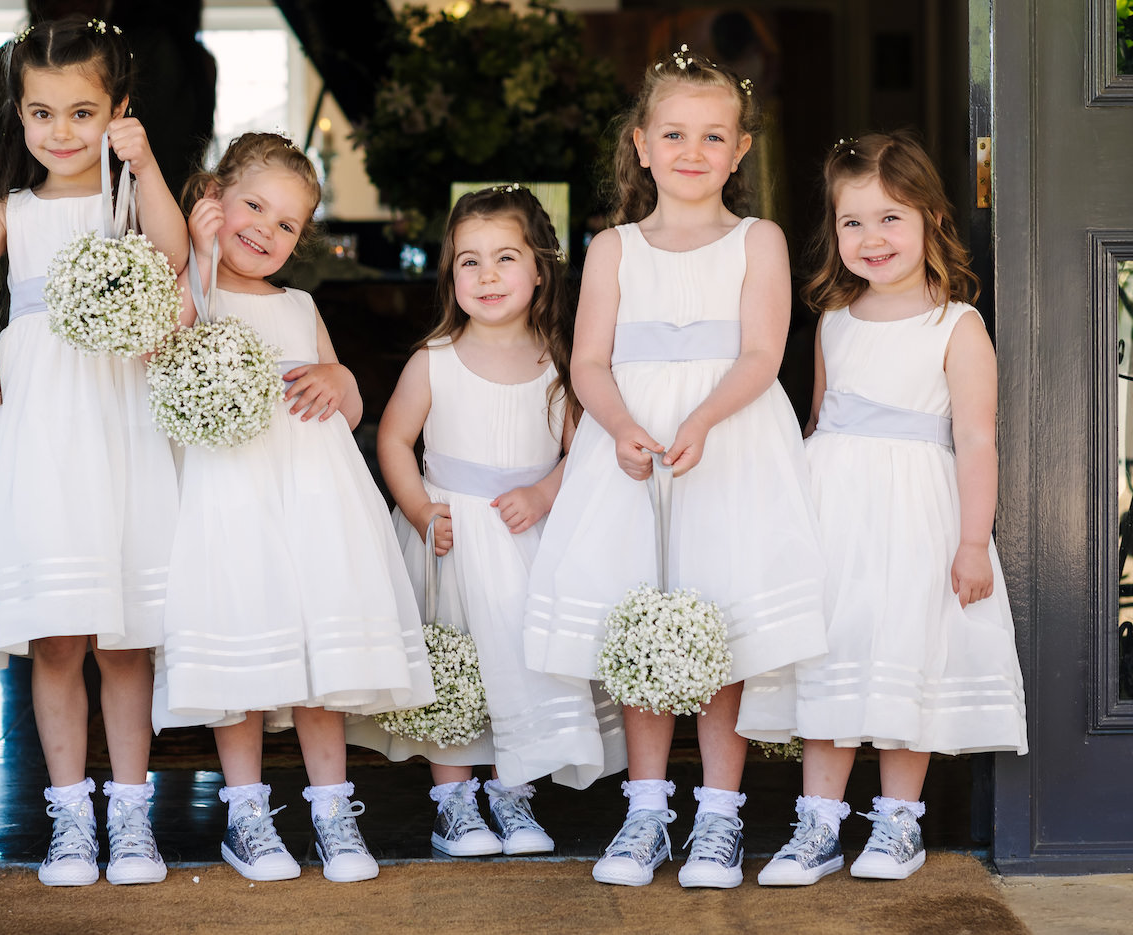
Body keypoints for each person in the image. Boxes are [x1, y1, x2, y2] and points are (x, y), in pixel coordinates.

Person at [0, 16, 188, 887]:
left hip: (116, 417)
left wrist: (146, 162)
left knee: (124, 634)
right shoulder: (14, 211)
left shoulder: (128, 200)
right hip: (35, 427)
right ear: (19, 117)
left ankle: (131, 815)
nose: (61, 132)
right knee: (58, 634)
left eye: (83, 112)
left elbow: (172, 256)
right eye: (42, 113)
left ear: (117, 111)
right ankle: (69, 818)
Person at [521, 47, 828, 889]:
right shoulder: (615, 247)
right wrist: (620, 426)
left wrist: (698, 420)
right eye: (676, 133)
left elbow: (764, 353)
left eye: (713, 135)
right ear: (643, 145)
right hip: (632, 449)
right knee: (641, 620)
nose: (693, 150)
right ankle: (647, 809)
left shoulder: (756, 240)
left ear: (739, 150)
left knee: (719, 619)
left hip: (727, 443)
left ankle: (720, 818)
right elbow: (587, 362)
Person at [152, 132, 434, 884]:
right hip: (230, 501)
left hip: (311, 501)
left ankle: (332, 808)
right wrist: (199, 257)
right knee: (243, 649)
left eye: (286, 224)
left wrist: (341, 379)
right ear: (212, 198)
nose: (266, 231)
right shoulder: (192, 287)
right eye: (253, 206)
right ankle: (246, 814)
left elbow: (347, 403)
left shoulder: (303, 303)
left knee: (320, 655)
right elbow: (162, 357)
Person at [752, 131, 1028, 886]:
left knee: (906, 656)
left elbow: (975, 440)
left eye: (891, 218)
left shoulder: (956, 325)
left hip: (915, 518)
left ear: (934, 220)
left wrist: (974, 541)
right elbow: (817, 426)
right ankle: (816, 826)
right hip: (834, 516)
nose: (871, 238)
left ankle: (898, 823)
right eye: (852, 222)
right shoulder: (834, 323)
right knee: (831, 657)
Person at [345, 186, 626, 858]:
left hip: (525, 536)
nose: (488, 274)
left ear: (539, 271)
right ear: (450, 276)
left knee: (518, 665)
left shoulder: (558, 363)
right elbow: (392, 439)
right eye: (469, 261)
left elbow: (580, 447)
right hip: (451, 538)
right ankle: (455, 804)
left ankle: (512, 789)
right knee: (456, 664)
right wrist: (418, 509)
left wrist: (546, 492)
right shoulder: (434, 359)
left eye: (505, 257)